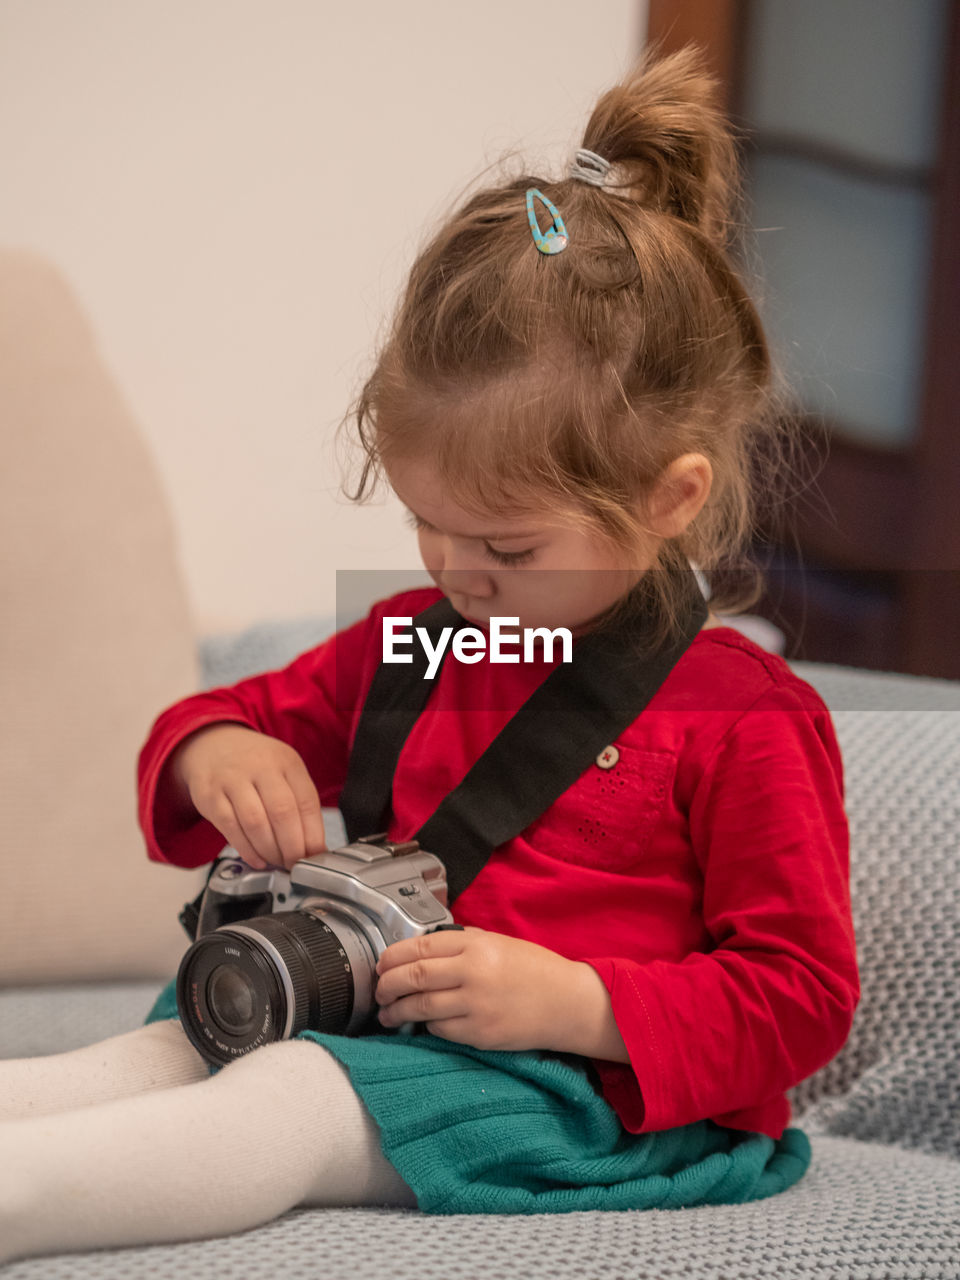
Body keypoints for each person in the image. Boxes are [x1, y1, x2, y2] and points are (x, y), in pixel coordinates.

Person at [0, 44, 859, 1262]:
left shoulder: (744, 716)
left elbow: (802, 996)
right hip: (362, 1015)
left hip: (588, 1092)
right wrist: (219, 749)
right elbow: (222, 715)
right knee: (164, 1045)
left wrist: (580, 1001)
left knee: (287, 1102)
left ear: (671, 498)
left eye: (505, 542)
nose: (455, 571)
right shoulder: (415, 637)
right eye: (426, 520)